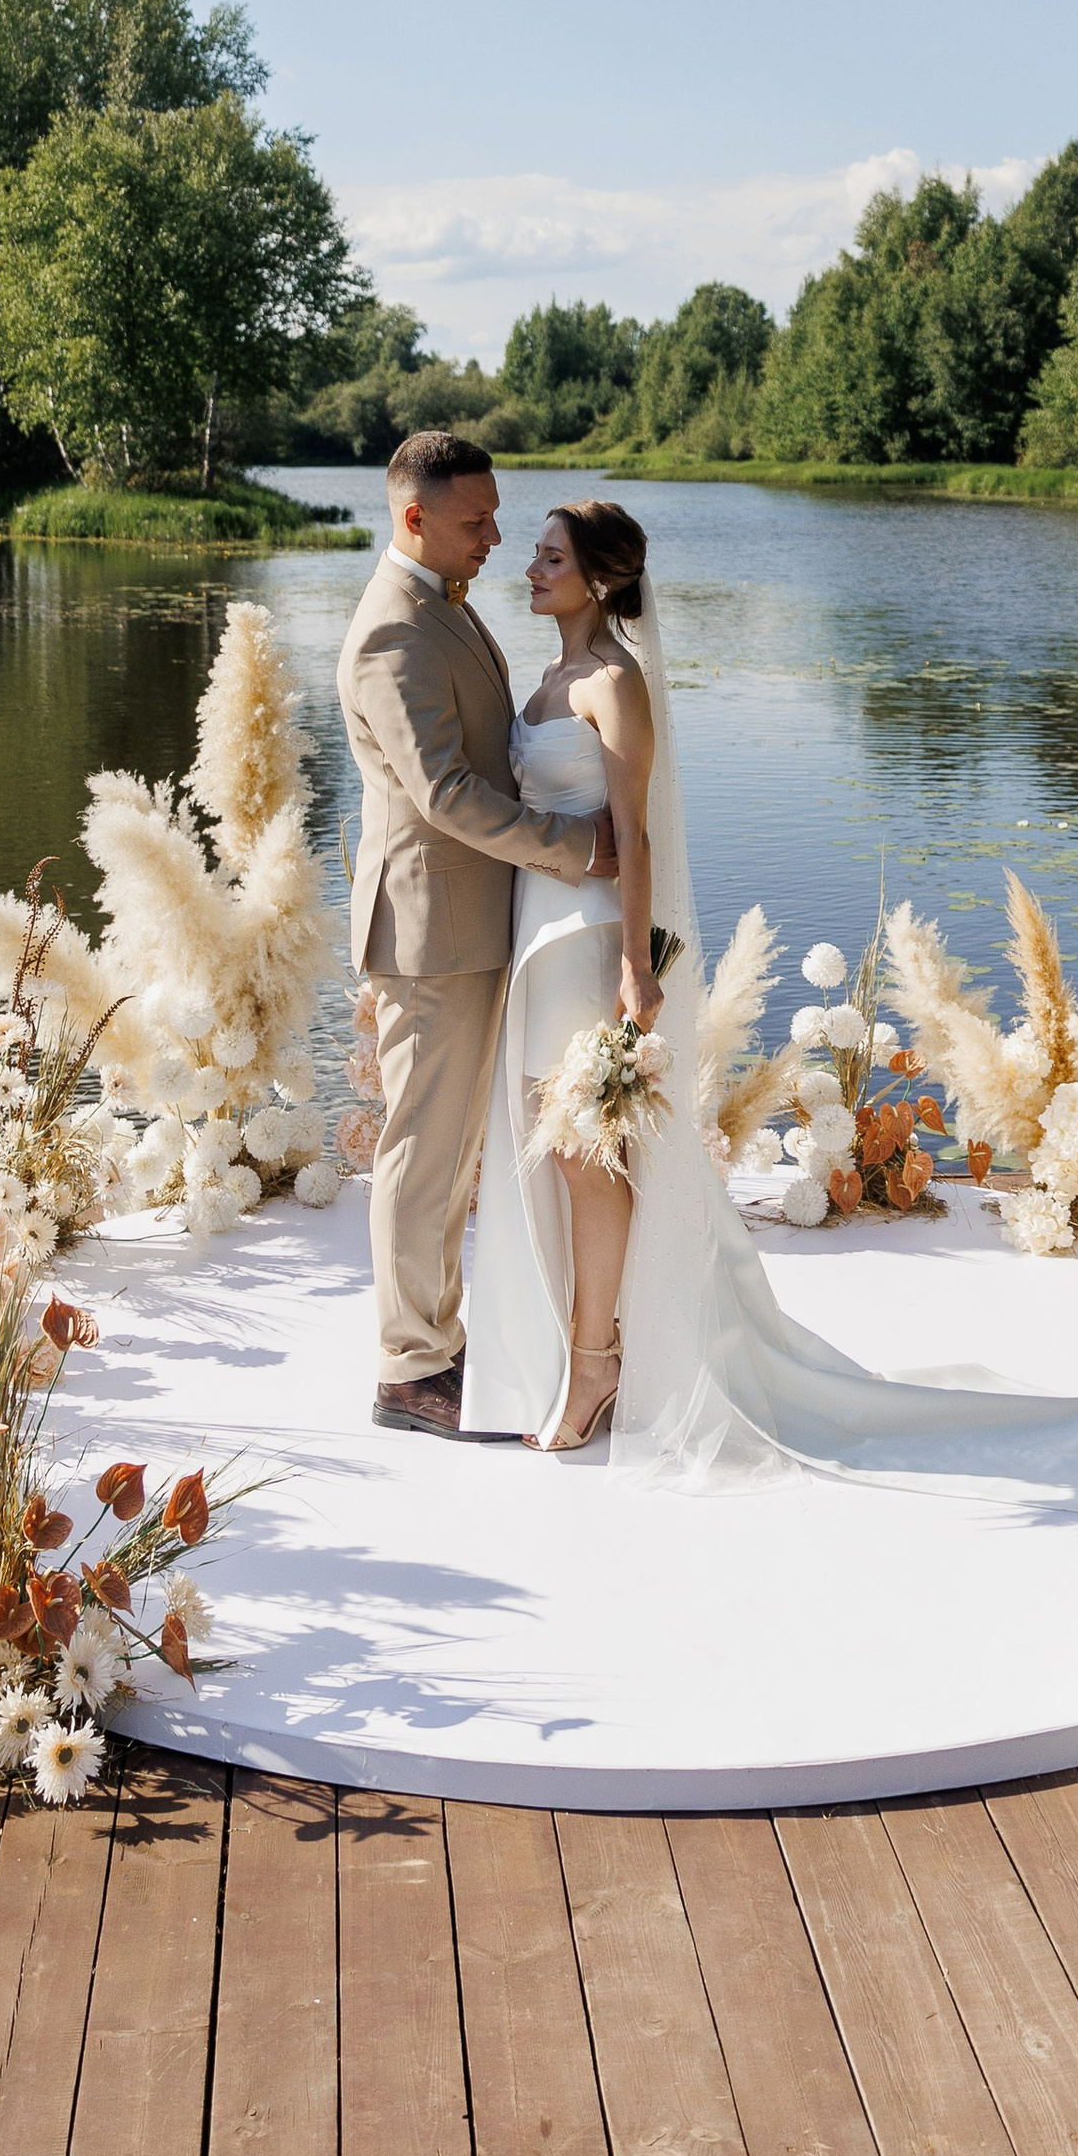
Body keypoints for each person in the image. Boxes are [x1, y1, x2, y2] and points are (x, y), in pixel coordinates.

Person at [461, 497, 1078, 1506]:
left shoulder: (615, 682)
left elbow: (636, 836)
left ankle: (598, 1364)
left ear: (598, 578)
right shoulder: (552, 676)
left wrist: (638, 966)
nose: (530, 567)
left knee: (585, 1156)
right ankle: (588, 1343)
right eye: (536, 553)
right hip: (535, 935)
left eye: (551, 557)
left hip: (589, 939)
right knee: (560, 1153)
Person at [335, 430, 616, 1439]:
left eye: (496, 516)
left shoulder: (440, 605)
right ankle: (409, 1368)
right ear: (414, 516)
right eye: (476, 519)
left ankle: (444, 1341)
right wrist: (577, 847)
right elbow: (445, 791)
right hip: (430, 930)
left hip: (473, 919)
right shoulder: (393, 629)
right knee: (423, 1152)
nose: (496, 536)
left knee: (453, 1152)